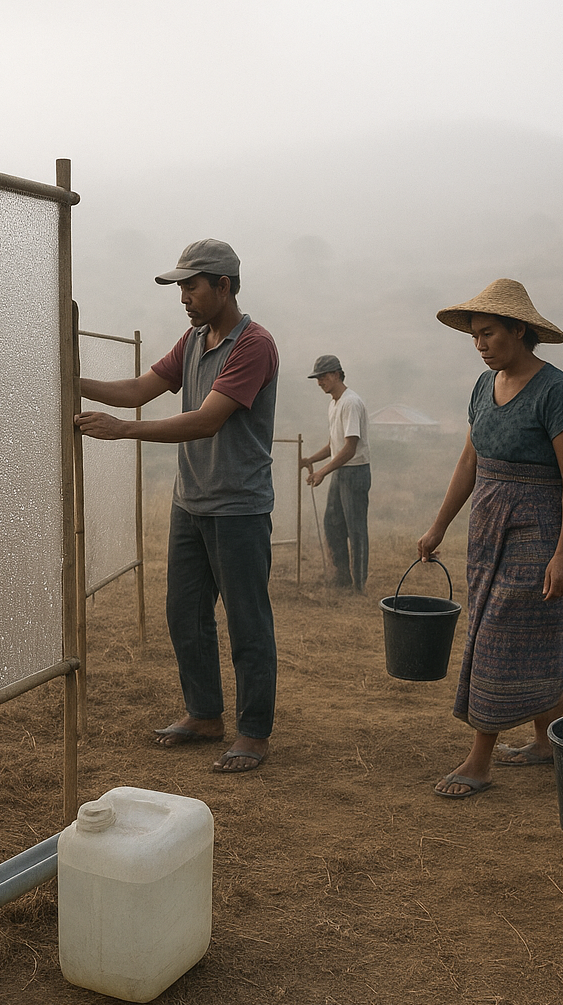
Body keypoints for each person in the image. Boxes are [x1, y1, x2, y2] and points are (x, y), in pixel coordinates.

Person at [74, 238, 279, 773]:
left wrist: (123, 432)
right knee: (184, 614)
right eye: (180, 287)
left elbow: (207, 419)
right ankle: (204, 714)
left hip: (238, 507)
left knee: (247, 622)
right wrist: (72, 384)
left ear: (224, 285)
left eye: (191, 285)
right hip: (191, 502)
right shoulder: (193, 340)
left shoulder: (253, 345)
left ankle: (253, 733)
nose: (183, 296)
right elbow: (142, 387)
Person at [417, 279, 563, 798]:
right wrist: (439, 524)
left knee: (497, 637)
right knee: (527, 638)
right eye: (474, 336)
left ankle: (479, 761)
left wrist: (562, 554)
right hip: (488, 527)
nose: (480, 344)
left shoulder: (557, 390)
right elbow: (470, 461)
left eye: (488, 333)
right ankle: (544, 742)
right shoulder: (480, 388)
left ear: (519, 329)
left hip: (539, 531)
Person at [299, 355, 372, 592]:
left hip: (355, 473)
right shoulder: (334, 403)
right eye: (317, 378)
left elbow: (350, 448)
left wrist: (321, 472)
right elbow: (334, 444)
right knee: (333, 524)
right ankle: (342, 577)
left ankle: (358, 585)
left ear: (337, 374)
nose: (320, 382)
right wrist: (311, 459)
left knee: (356, 529)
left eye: (323, 376)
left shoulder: (351, 402)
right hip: (341, 471)